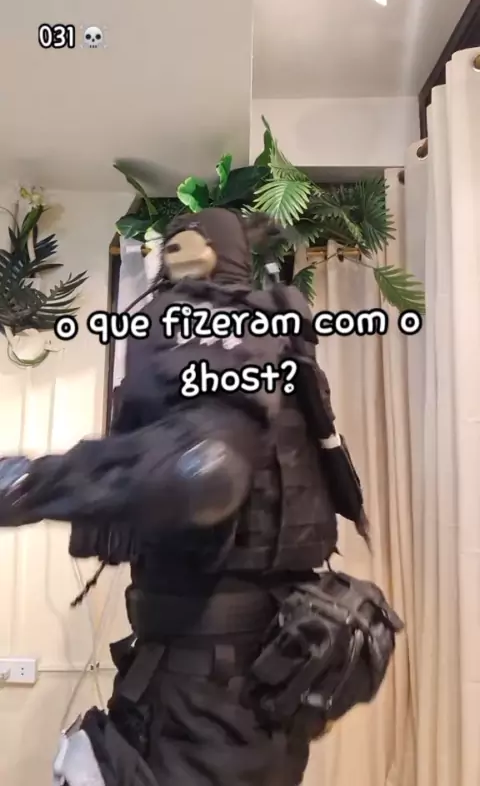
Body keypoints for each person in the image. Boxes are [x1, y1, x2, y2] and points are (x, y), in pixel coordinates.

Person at [0, 207, 346, 786]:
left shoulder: (215, 326)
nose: (170, 256)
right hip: (253, 680)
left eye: (184, 244)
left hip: (205, 688)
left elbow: (202, 473)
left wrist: (28, 484)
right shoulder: (272, 336)